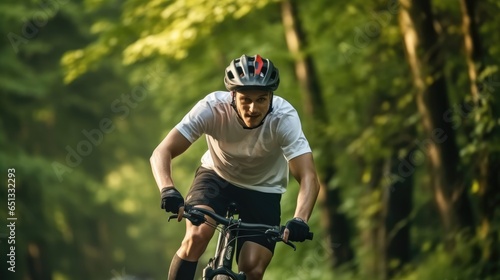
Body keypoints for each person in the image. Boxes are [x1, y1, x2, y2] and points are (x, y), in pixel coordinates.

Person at [150, 54, 320, 280]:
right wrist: (167, 188)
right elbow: (162, 152)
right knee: (197, 236)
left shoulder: (284, 118)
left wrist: (300, 219)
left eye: (261, 99)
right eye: (245, 99)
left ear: (271, 96)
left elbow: (308, 176)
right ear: (232, 95)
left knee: (252, 268)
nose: (253, 108)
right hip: (217, 177)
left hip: (264, 188)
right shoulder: (212, 108)